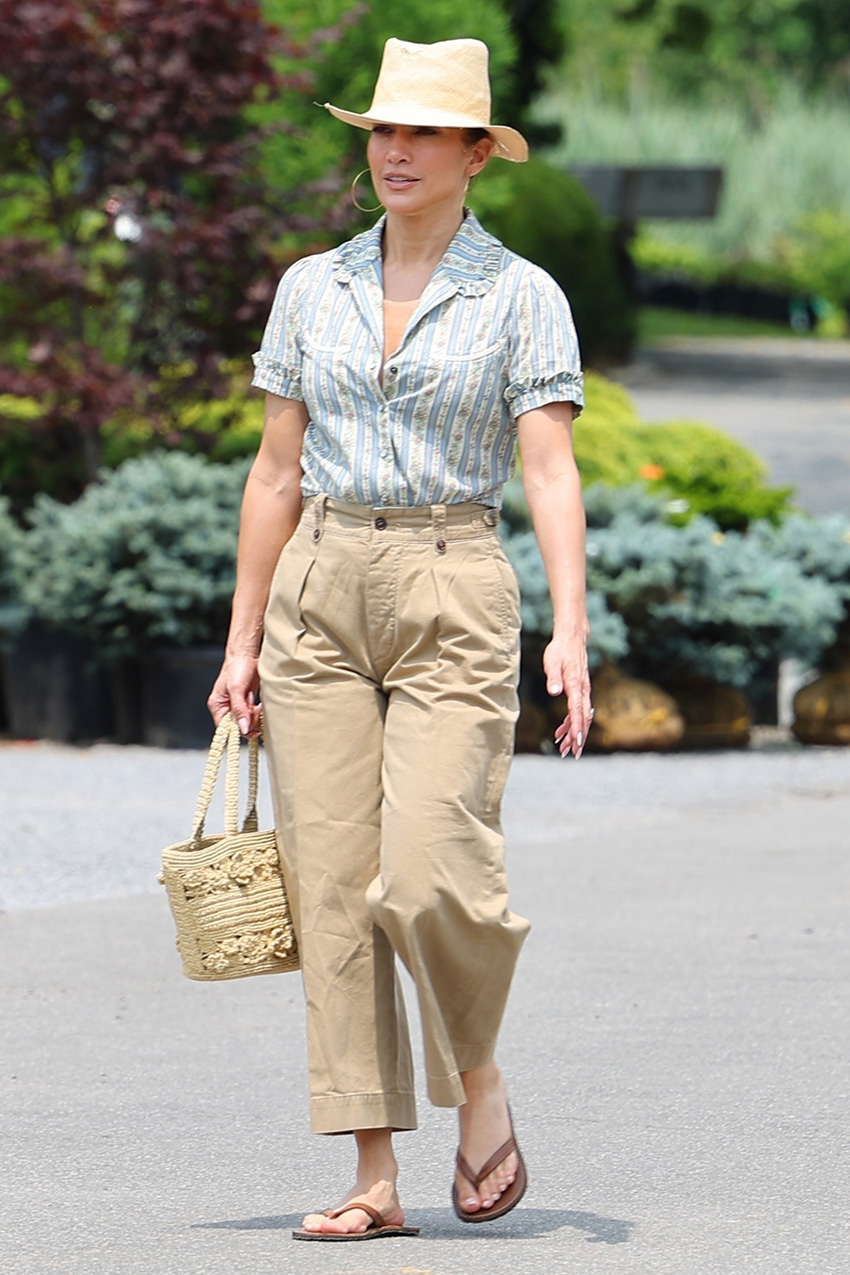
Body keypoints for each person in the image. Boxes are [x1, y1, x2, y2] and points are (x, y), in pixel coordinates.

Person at [208, 35, 591, 1242]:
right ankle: (372, 1174)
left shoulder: (520, 294)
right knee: (330, 888)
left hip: (451, 581)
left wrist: (572, 631)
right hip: (320, 583)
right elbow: (275, 470)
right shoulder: (310, 285)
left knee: (430, 874)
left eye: (423, 133)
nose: (394, 152)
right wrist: (241, 639)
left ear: (477, 153)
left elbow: (549, 468)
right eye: (381, 130)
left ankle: (479, 1079)